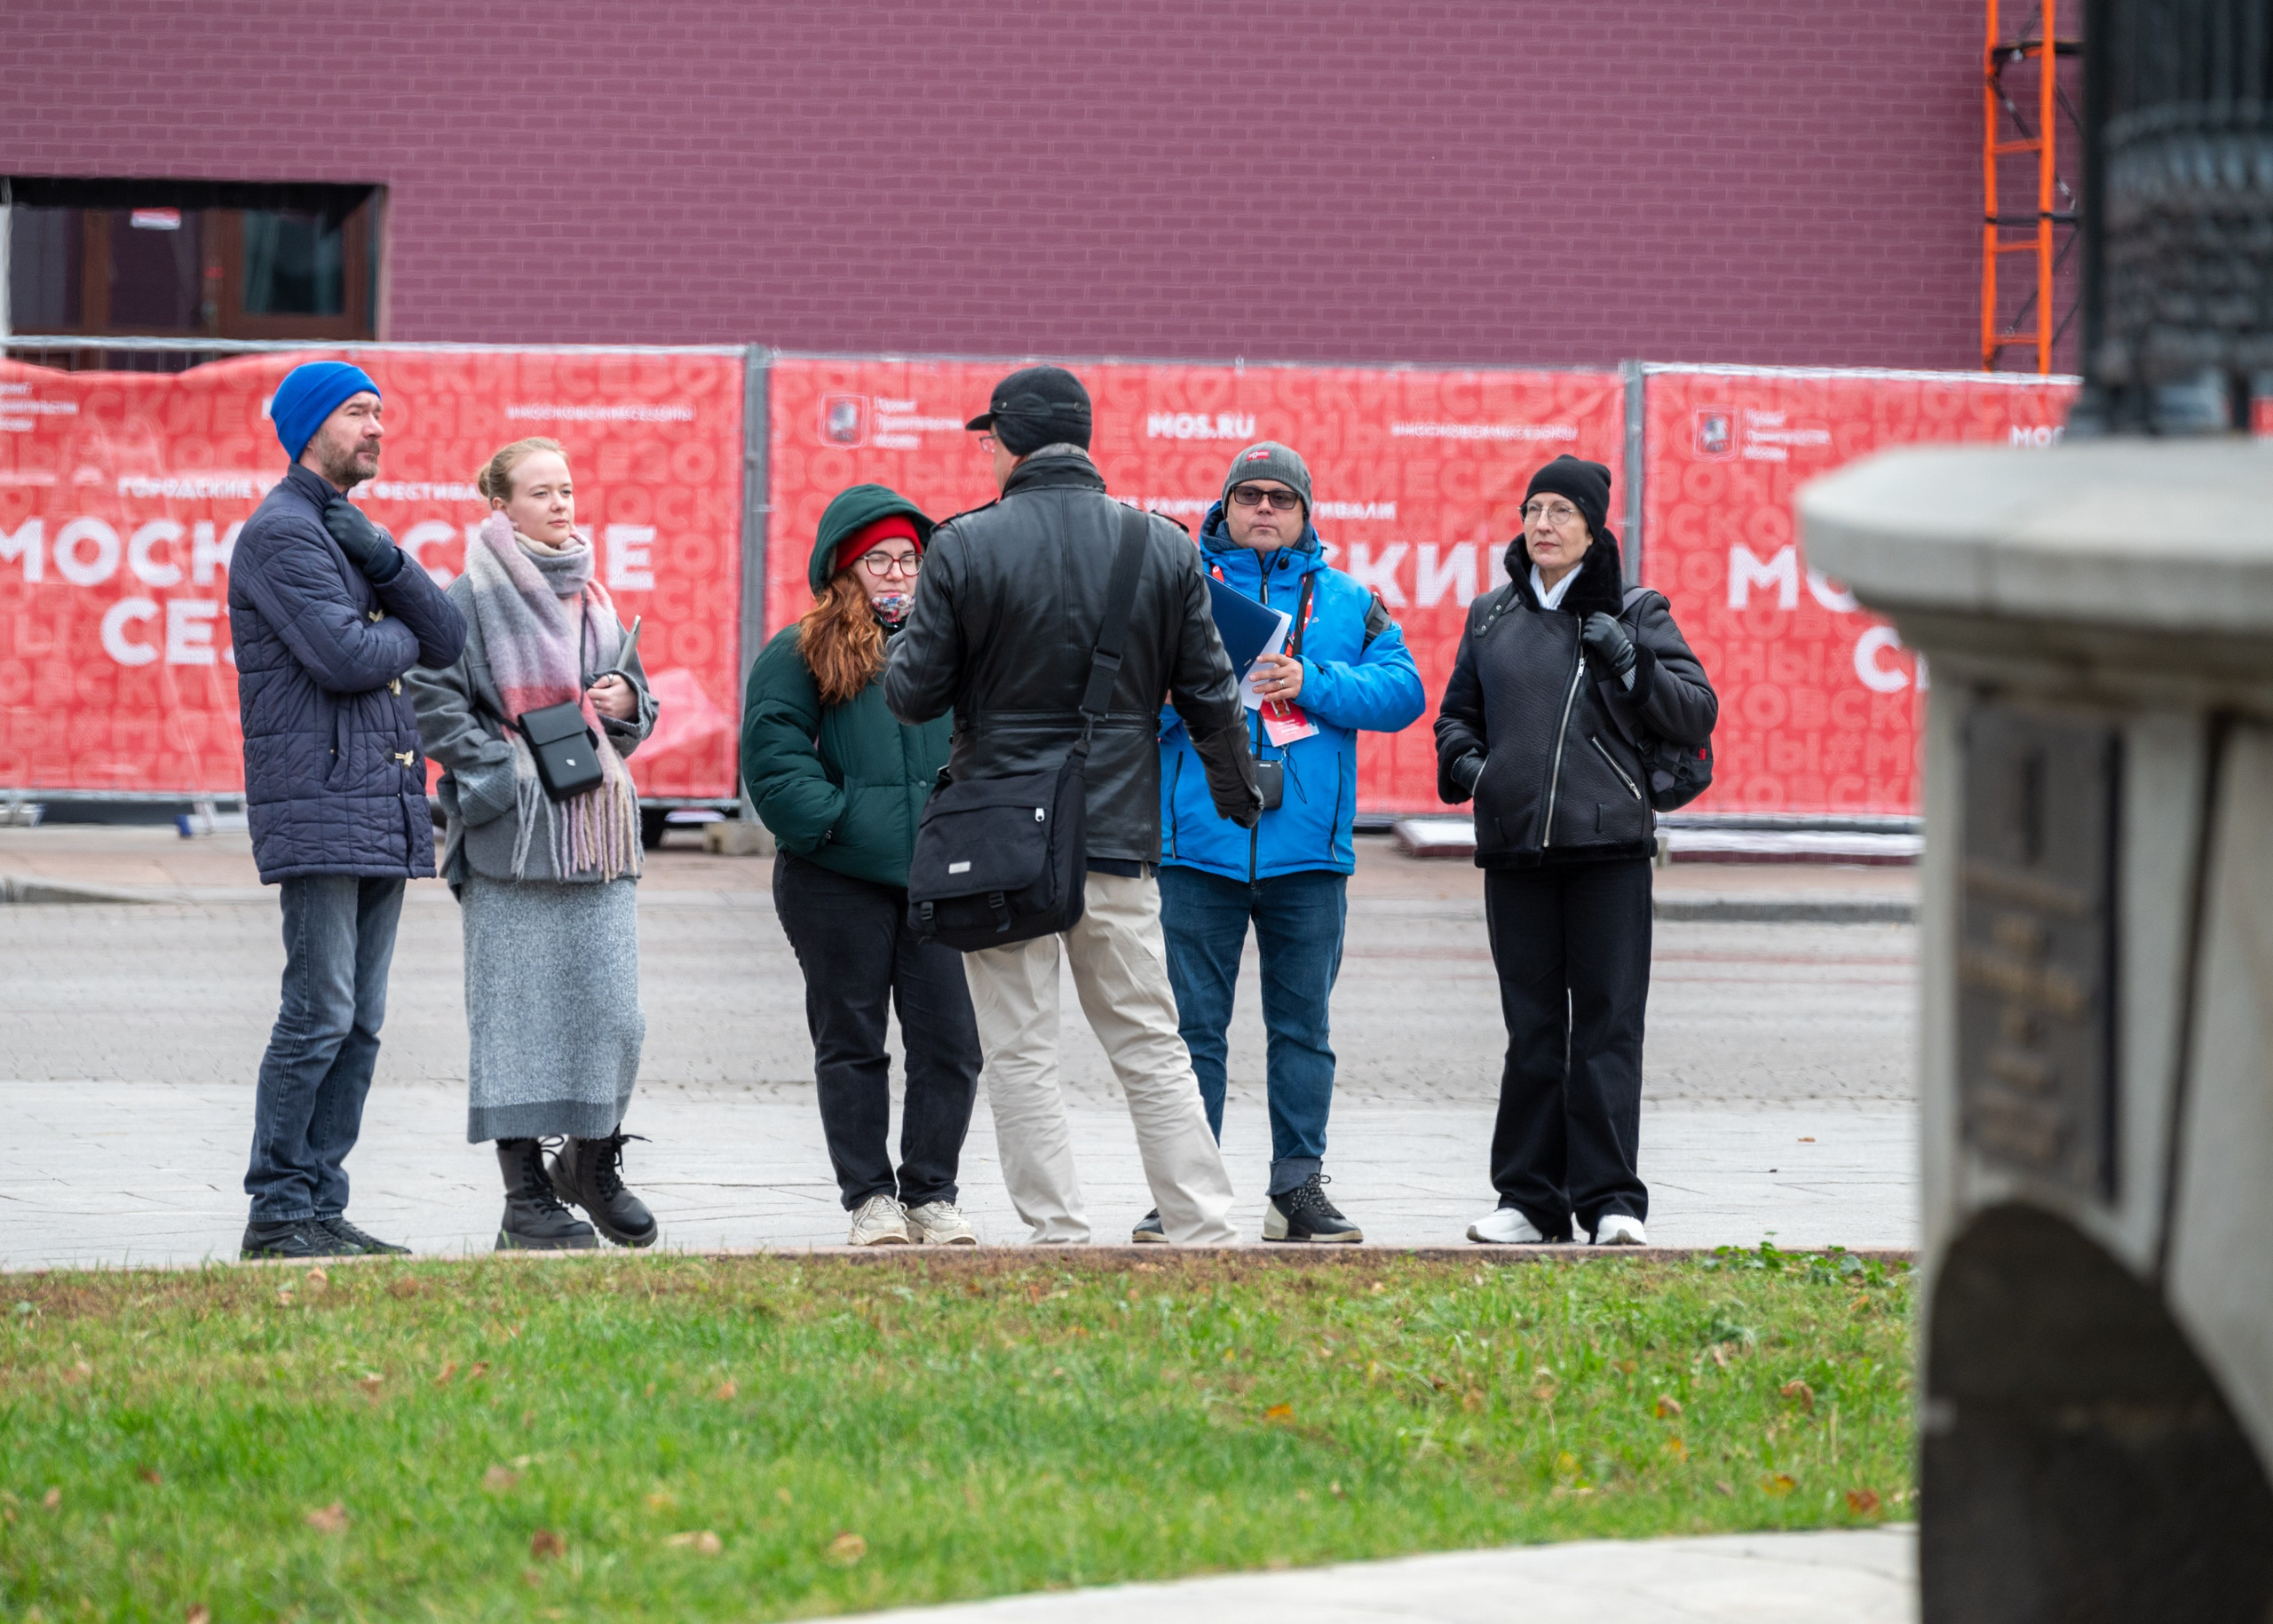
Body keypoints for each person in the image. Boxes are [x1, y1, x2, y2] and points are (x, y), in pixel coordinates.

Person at [883, 364, 1262, 1246]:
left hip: (999, 834)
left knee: (1019, 1050)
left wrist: (903, 629)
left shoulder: (964, 544)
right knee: (1149, 1041)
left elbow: (912, 698)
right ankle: (1202, 1229)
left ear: (1010, 442)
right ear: (1082, 439)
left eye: (989, 436)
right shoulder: (1160, 545)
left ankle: (1056, 1238)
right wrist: (1237, 790)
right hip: (1116, 828)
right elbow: (1212, 693)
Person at [1434, 455, 1716, 1248]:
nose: (1543, 524)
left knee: (1606, 1030)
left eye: (1562, 510)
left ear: (1593, 528)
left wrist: (1632, 661)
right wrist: (1471, 769)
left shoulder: (1634, 609)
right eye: (1534, 509)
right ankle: (1528, 1199)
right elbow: (1458, 715)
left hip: (1608, 851)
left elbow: (1696, 711)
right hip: (1516, 851)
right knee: (1531, 1032)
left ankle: (1613, 1202)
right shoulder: (1490, 615)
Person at [1151, 442, 1425, 1244]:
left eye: (1281, 497)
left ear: (1307, 513)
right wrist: (1201, 690)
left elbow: (1404, 690)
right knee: (1191, 1035)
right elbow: (1134, 704)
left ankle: (1296, 1192)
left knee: (1304, 1033)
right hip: (1197, 850)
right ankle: (1182, 1196)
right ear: (1224, 509)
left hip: (1308, 857)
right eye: (1249, 495)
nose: (1264, 509)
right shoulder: (1185, 596)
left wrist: (1313, 682)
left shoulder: (1348, 601)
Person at [229, 360, 466, 1259]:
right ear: (308, 426)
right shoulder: (282, 532)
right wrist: (389, 628)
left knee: (360, 1021)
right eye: (358, 411)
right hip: (321, 798)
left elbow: (447, 638)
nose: (377, 425)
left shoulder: (346, 529)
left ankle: (322, 1205)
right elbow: (344, 657)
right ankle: (277, 1210)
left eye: (380, 411)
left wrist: (383, 559)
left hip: (377, 798)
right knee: (318, 1012)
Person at [406, 437, 659, 1251]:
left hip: (598, 836)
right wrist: (499, 777)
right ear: (501, 505)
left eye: (567, 489)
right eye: (541, 492)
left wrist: (627, 702)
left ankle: (588, 1161)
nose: (560, 504)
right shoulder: (465, 599)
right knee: (514, 1020)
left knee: (616, 1018)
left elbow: (630, 709)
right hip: (513, 841)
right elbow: (433, 699)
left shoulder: (599, 595)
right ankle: (524, 1196)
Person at [741, 484, 984, 1247]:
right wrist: (838, 823)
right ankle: (870, 1199)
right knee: (851, 1040)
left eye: (908, 560)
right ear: (843, 566)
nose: (895, 574)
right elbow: (775, 759)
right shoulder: (799, 649)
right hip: (835, 879)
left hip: (938, 880)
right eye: (877, 559)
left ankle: (932, 1196)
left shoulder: (952, 645)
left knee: (950, 1044)